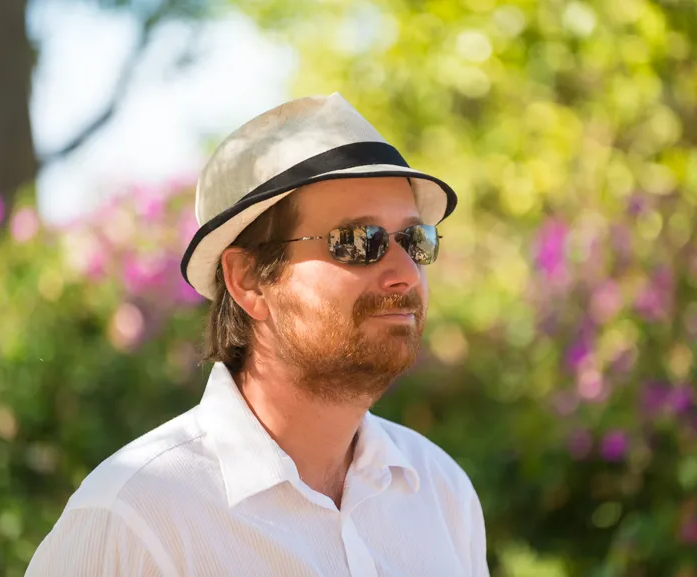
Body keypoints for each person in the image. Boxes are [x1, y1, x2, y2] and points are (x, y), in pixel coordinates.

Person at [25, 93, 489, 576]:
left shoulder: (441, 493)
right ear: (248, 280)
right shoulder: (134, 518)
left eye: (415, 240)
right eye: (358, 241)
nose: (406, 273)